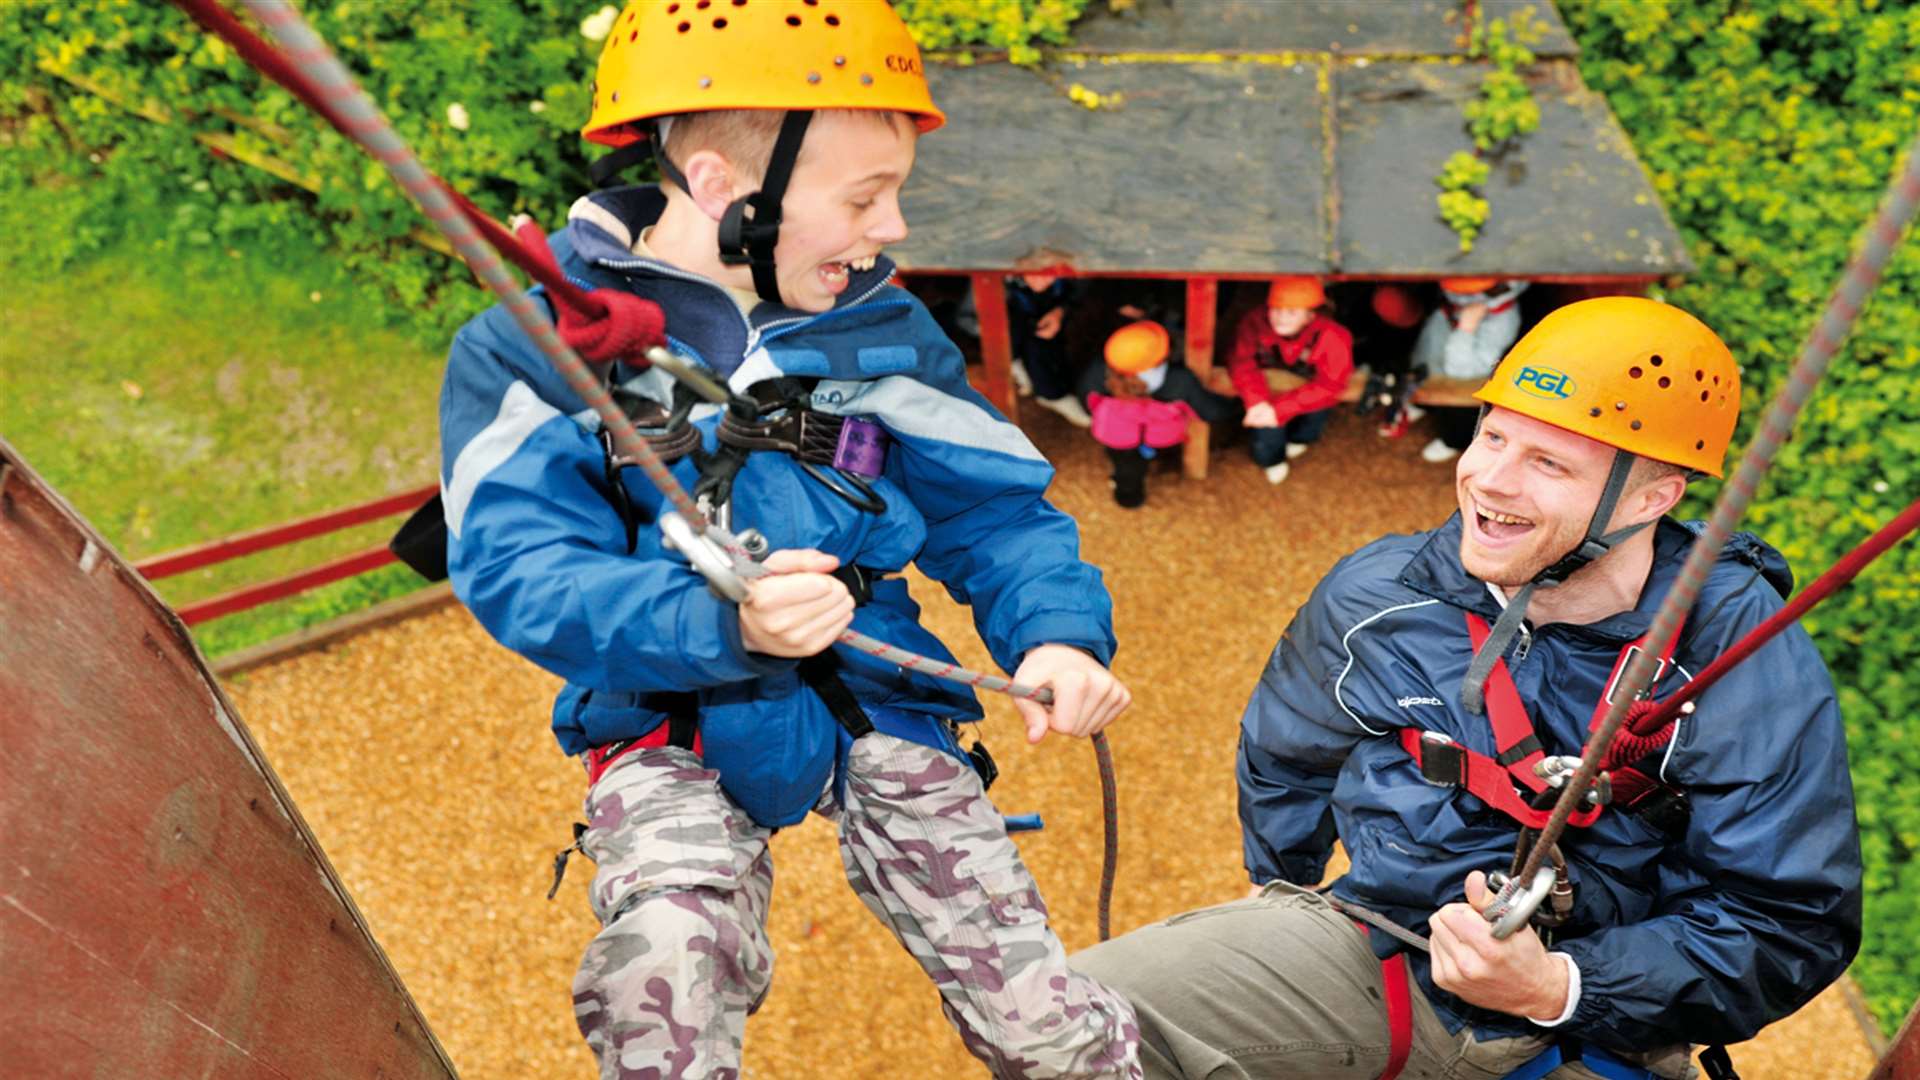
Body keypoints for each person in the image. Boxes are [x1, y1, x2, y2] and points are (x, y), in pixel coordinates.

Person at [436, 4, 1141, 1076]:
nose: (893, 228)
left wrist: (1056, 635)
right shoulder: (538, 354)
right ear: (726, 190)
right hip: (666, 695)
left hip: (875, 677)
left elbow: (992, 509)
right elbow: (518, 570)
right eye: (865, 197)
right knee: (662, 965)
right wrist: (717, 624)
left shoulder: (881, 331)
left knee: (1039, 1008)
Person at [1073, 298, 1861, 1080]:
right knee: (1075, 1019)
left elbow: (1792, 921)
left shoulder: (1739, 656)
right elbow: (1288, 749)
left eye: (1548, 462)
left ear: (1653, 497)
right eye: (1492, 436)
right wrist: (1278, 888)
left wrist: (1560, 987)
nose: (1490, 479)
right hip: (1378, 950)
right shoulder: (1380, 598)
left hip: (1600, 1016)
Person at [1227, 276, 1353, 485]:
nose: (1280, 318)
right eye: (1275, 309)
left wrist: (1280, 409)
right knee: (1265, 431)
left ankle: (1301, 439)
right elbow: (1240, 360)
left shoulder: (1334, 336)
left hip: (1312, 392)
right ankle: (1271, 460)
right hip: (1266, 389)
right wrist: (1257, 402)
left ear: (1310, 315)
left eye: (1291, 312)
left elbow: (1331, 384)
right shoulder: (1254, 321)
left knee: (1313, 419)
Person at [1087, 320, 1209, 508]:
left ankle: (1128, 496)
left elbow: (1086, 399)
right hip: (1163, 437)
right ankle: (1162, 469)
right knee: (1163, 456)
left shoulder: (1098, 372)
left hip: (1116, 437)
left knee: (1125, 468)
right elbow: (1208, 409)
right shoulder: (1179, 381)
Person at [1413, 276, 1530, 463]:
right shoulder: (1457, 301)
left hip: (1463, 384)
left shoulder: (1501, 322)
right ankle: (1421, 405)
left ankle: (1451, 442)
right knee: (1423, 374)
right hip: (1434, 362)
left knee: (1460, 414)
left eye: (1462, 293)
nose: (1454, 294)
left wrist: (1466, 329)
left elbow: (1462, 372)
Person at [1008, 263, 1093, 427]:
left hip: (1056, 306)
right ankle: (1049, 393)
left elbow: (1085, 283)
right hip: (1010, 310)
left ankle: (1050, 391)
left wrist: (1061, 311)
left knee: (1046, 343)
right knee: (1016, 340)